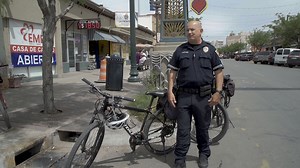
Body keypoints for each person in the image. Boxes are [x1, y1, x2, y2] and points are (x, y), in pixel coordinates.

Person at [167, 20, 224, 168]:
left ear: (201, 31)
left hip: (203, 98)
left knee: (202, 129)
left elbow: (218, 72)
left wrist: (218, 92)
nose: (190, 32)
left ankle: (204, 154)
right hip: (184, 97)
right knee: (183, 130)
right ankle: (180, 159)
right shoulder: (180, 50)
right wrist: (170, 91)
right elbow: (172, 72)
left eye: (193, 29)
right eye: (187, 30)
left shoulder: (210, 50)